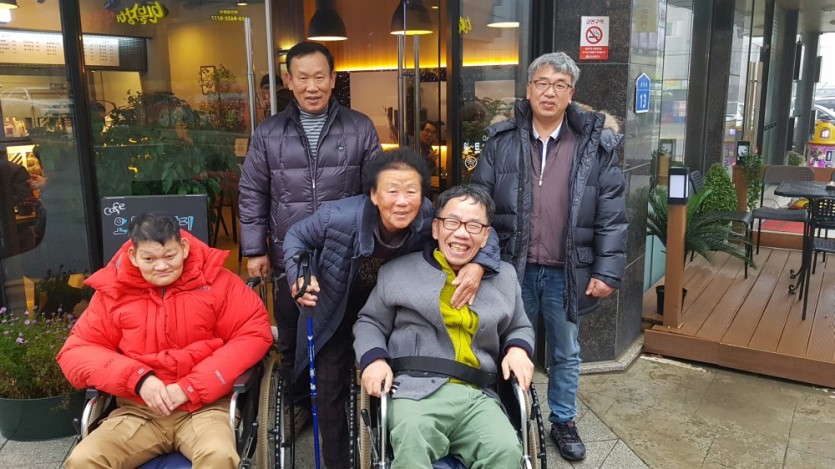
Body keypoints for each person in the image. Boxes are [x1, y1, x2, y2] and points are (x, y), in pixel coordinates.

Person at [284, 149, 499, 469]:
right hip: (335, 309)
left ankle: (392, 451)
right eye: (392, 191)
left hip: (391, 310)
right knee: (329, 391)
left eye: (411, 191)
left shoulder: (427, 217)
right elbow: (296, 236)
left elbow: (480, 231)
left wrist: (480, 264)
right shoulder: (337, 216)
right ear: (373, 194)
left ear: (422, 195)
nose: (402, 201)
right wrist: (299, 276)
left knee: (396, 377)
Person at [471, 51, 628, 462]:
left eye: (560, 85)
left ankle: (563, 420)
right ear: (528, 89)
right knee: (506, 345)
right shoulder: (501, 141)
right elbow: (479, 205)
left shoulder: (594, 145)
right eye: (542, 83)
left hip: (568, 269)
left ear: (571, 94)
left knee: (565, 351)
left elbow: (612, 212)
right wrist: (481, 261)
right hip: (513, 267)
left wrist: (608, 271)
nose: (549, 92)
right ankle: (506, 414)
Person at [238, 41, 381, 431]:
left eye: (320, 77)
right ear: (289, 80)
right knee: (291, 334)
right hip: (291, 255)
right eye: (303, 78)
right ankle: (300, 402)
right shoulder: (269, 132)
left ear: (333, 79)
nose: (312, 86)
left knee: (346, 330)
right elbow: (252, 191)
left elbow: (376, 189)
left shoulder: (360, 127)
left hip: (346, 255)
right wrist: (254, 249)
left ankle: (346, 400)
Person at [58, 212, 273, 468]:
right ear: (133, 256)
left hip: (204, 408)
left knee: (218, 456)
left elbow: (253, 332)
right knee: (83, 460)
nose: (161, 266)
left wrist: (190, 387)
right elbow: (76, 351)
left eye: (169, 256)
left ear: (183, 248)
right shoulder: (113, 293)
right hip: (138, 412)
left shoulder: (218, 283)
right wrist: (138, 379)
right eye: (149, 259)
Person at [354, 184, 535, 468]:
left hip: (477, 393)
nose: (462, 233)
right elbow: (370, 322)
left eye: (474, 226)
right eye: (452, 222)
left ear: (486, 236)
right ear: (436, 228)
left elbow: (519, 326)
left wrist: (518, 350)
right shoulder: (397, 272)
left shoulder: (505, 278)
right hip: (414, 390)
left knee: (506, 451)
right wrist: (374, 359)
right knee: (412, 442)